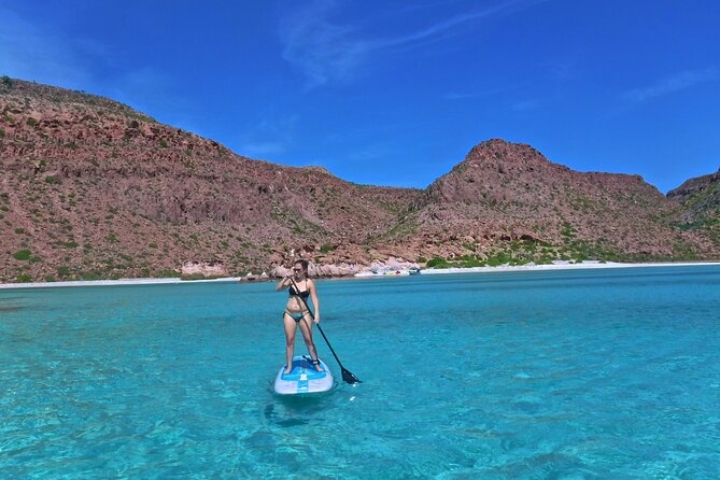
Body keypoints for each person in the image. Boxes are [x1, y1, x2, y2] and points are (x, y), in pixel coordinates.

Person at [275, 259, 322, 375]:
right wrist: (285, 278)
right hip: (289, 313)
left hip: (304, 314)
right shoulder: (291, 281)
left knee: (308, 340)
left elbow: (315, 299)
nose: (296, 272)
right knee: (290, 341)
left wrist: (316, 313)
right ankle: (289, 366)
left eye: (298, 270)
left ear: (305, 270)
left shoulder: (309, 283)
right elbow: (278, 289)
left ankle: (316, 363)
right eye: (294, 269)